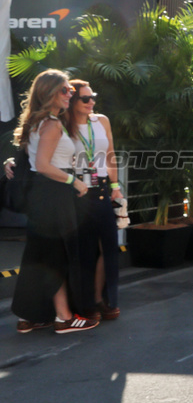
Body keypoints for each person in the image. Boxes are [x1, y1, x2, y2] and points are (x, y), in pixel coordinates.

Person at [9, 70, 97, 333]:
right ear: (49, 93)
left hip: (44, 196)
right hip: (54, 195)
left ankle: (32, 316)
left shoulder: (39, 122)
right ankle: (64, 318)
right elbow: (43, 165)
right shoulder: (51, 124)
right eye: (65, 90)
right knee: (57, 255)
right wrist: (75, 182)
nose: (70, 94)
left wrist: (10, 162)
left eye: (70, 90)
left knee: (42, 255)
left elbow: (31, 159)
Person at [67, 79, 123, 319]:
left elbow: (110, 154)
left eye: (93, 97)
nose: (92, 102)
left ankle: (101, 299)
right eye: (85, 98)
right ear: (72, 101)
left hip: (101, 190)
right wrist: (11, 162)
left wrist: (115, 186)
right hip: (75, 192)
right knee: (84, 250)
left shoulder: (101, 121)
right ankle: (85, 303)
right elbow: (40, 150)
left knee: (108, 247)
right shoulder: (61, 124)